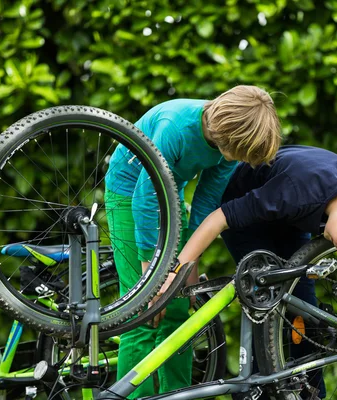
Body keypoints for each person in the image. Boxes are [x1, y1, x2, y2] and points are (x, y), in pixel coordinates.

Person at [173, 145, 337, 398]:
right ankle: (256, 389)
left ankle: (311, 394)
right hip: (248, 199)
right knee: (264, 301)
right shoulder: (295, 192)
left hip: (292, 217)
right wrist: (178, 272)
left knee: (302, 308)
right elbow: (217, 219)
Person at [104, 85, 281, 398]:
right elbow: (145, 198)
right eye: (238, 152)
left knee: (176, 309)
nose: (239, 159)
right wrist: (151, 273)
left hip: (169, 195)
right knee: (141, 313)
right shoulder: (174, 128)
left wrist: (188, 266)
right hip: (129, 193)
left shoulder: (228, 144)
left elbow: (206, 199)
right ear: (225, 132)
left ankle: (176, 394)